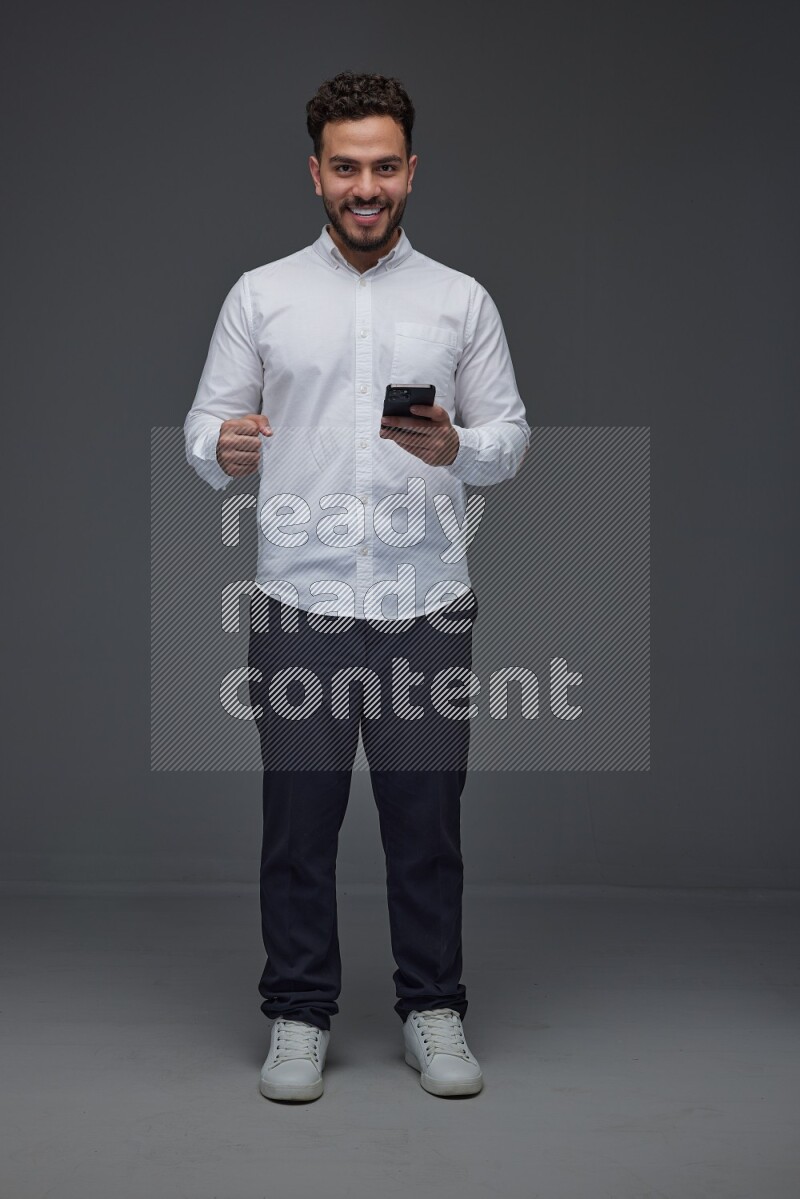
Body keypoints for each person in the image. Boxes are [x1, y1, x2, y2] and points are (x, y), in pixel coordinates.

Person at [184, 70, 530, 1103]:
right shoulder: (262, 294)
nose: (365, 185)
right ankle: (297, 1014)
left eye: (384, 167)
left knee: (425, 817)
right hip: (300, 601)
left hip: (426, 602)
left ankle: (433, 1007)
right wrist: (227, 442)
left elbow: (509, 440)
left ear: (411, 172)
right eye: (346, 167)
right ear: (316, 173)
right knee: (299, 819)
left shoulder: (458, 299)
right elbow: (204, 427)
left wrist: (454, 441)